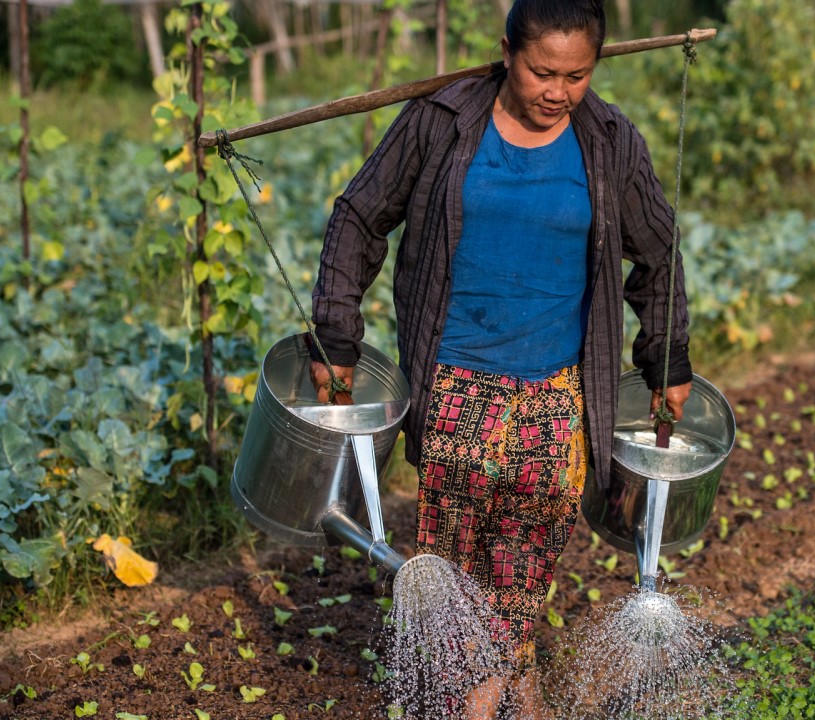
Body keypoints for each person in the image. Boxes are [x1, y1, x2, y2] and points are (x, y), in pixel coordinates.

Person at [308, 0, 692, 715]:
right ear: (506, 53)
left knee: (530, 542)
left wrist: (668, 359)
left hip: (556, 382)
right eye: (542, 71)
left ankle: (501, 679)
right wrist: (335, 332)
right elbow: (360, 213)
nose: (558, 92)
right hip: (455, 374)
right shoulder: (441, 121)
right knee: (454, 546)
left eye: (576, 76)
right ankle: (489, 687)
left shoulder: (609, 141)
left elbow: (657, 249)